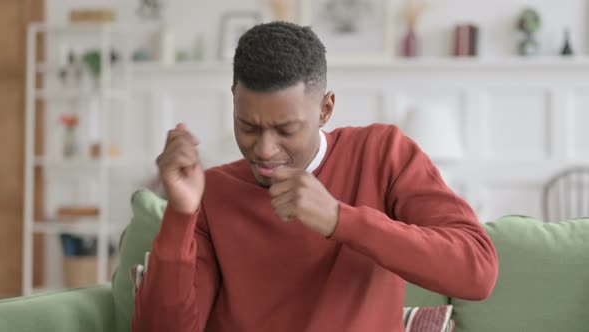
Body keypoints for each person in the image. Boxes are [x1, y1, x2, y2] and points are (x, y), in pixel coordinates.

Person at [132, 21, 498, 331]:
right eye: (248, 127)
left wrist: (340, 219)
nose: (264, 149)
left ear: (325, 109)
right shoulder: (211, 193)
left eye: (285, 129)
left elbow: (477, 272)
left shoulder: (382, 154)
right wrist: (180, 213)